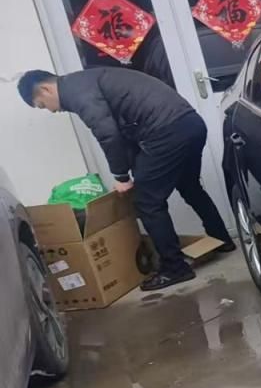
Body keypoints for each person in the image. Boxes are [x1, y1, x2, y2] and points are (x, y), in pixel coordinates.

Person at [18, 68, 235, 291]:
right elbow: (125, 131)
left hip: (166, 132)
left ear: (45, 89)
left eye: (43, 105)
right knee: (190, 187)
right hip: (189, 124)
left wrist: (121, 176)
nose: (52, 111)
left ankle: (175, 268)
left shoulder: (76, 92)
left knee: (147, 202)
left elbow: (108, 134)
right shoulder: (87, 81)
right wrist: (132, 169)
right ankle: (222, 239)